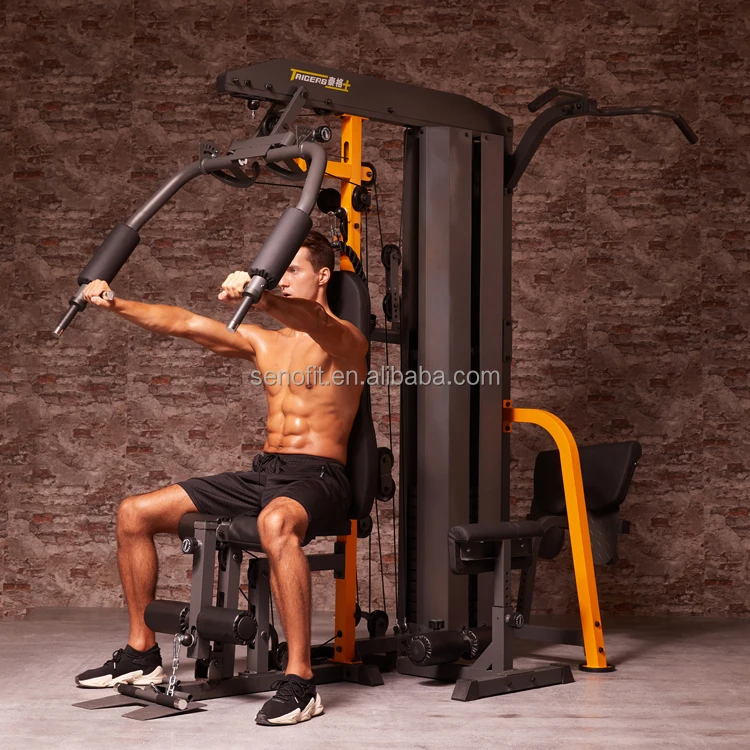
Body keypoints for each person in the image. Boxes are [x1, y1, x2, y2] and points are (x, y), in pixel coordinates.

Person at [73, 231, 368, 726]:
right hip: (266, 472)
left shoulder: (346, 340)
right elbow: (186, 323)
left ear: (323, 275)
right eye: (279, 273)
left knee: (275, 523)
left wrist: (262, 296)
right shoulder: (265, 342)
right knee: (134, 513)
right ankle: (141, 652)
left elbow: (316, 321)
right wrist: (116, 304)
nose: (283, 280)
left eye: (293, 270)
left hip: (320, 477)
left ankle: (300, 681)